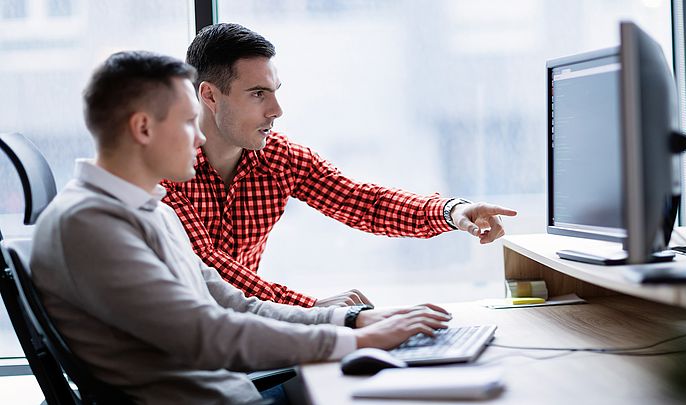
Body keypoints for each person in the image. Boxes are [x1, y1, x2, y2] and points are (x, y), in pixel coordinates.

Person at [30, 51, 451, 405]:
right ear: (143, 128)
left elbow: (237, 306)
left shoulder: (151, 212)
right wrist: (361, 344)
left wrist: (353, 320)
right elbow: (206, 333)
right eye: (188, 122)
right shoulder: (87, 225)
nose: (199, 140)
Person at [161, 23, 518, 307]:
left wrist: (451, 210)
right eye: (258, 94)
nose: (276, 110)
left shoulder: (279, 159)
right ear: (209, 95)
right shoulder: (163, 171)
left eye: (275, 91)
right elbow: (207, 270)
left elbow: (362, 202)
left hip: (244, 334)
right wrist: (312, 308)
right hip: (175, 348)